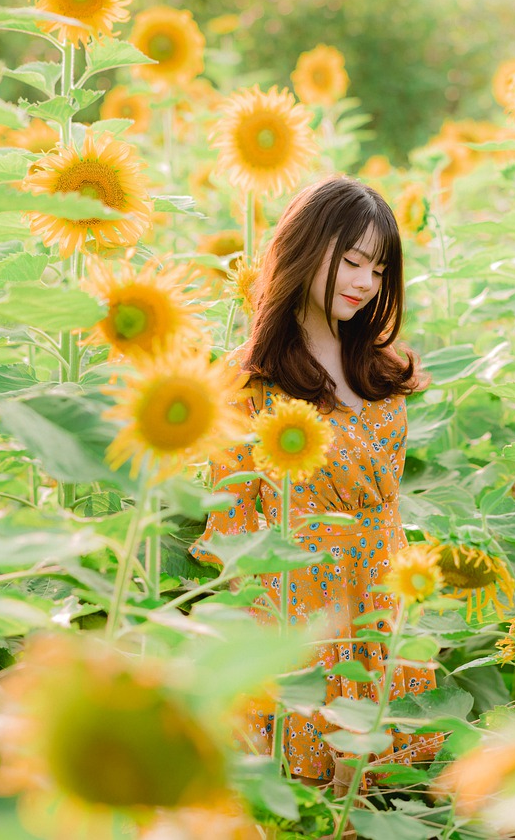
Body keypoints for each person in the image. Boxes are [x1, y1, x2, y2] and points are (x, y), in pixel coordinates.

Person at [191, 176, 441, 790]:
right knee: (308, 806)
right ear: (304, 250)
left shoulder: (381, 369)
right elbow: (237, 531)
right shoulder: (252, 387)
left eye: (379, 270)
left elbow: (389, 513)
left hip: (381, 605)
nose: (364, 283)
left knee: (389, 802)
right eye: (352, 261)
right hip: (302, 621)